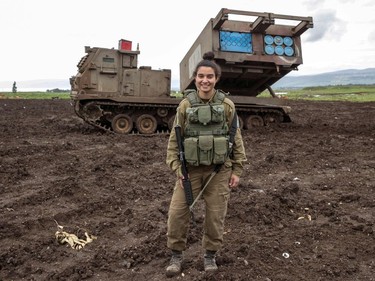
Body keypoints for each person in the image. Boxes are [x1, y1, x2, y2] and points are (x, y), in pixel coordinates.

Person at [165, 51, 247, 277]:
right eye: (201, 76)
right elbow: (175, 140)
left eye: (210, 76)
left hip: (219, 171)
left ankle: (210, 256)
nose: (205, 80)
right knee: (177, 213)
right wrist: (177, 169)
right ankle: (176, 255)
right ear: (195, 77)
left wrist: (237, 170)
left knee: (215, 216)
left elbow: (235, 138)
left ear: (216, 79)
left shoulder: (227, 105)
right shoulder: (185, 105)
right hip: (189, 172)